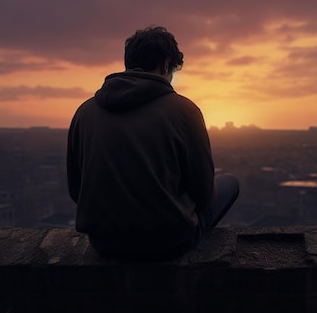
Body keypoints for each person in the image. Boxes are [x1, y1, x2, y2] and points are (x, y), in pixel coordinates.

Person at [67, 26, 239, 260]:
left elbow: (76, 190)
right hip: (167, 243)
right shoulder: (184, 110)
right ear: (166, 64)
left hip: (105, 243)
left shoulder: (84, 112)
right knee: (229, 183)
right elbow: (204, 194)